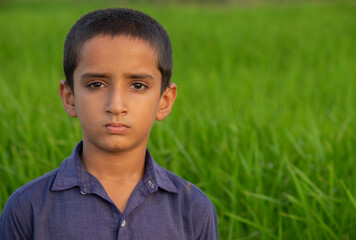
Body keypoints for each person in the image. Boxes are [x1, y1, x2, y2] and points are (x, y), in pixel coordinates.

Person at [0, 8, 218, 239]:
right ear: (69, 97)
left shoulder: (193, 209)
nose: (115, 105)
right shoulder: (27, 209)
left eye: (137, 86)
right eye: (96, 84)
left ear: (164, 101)